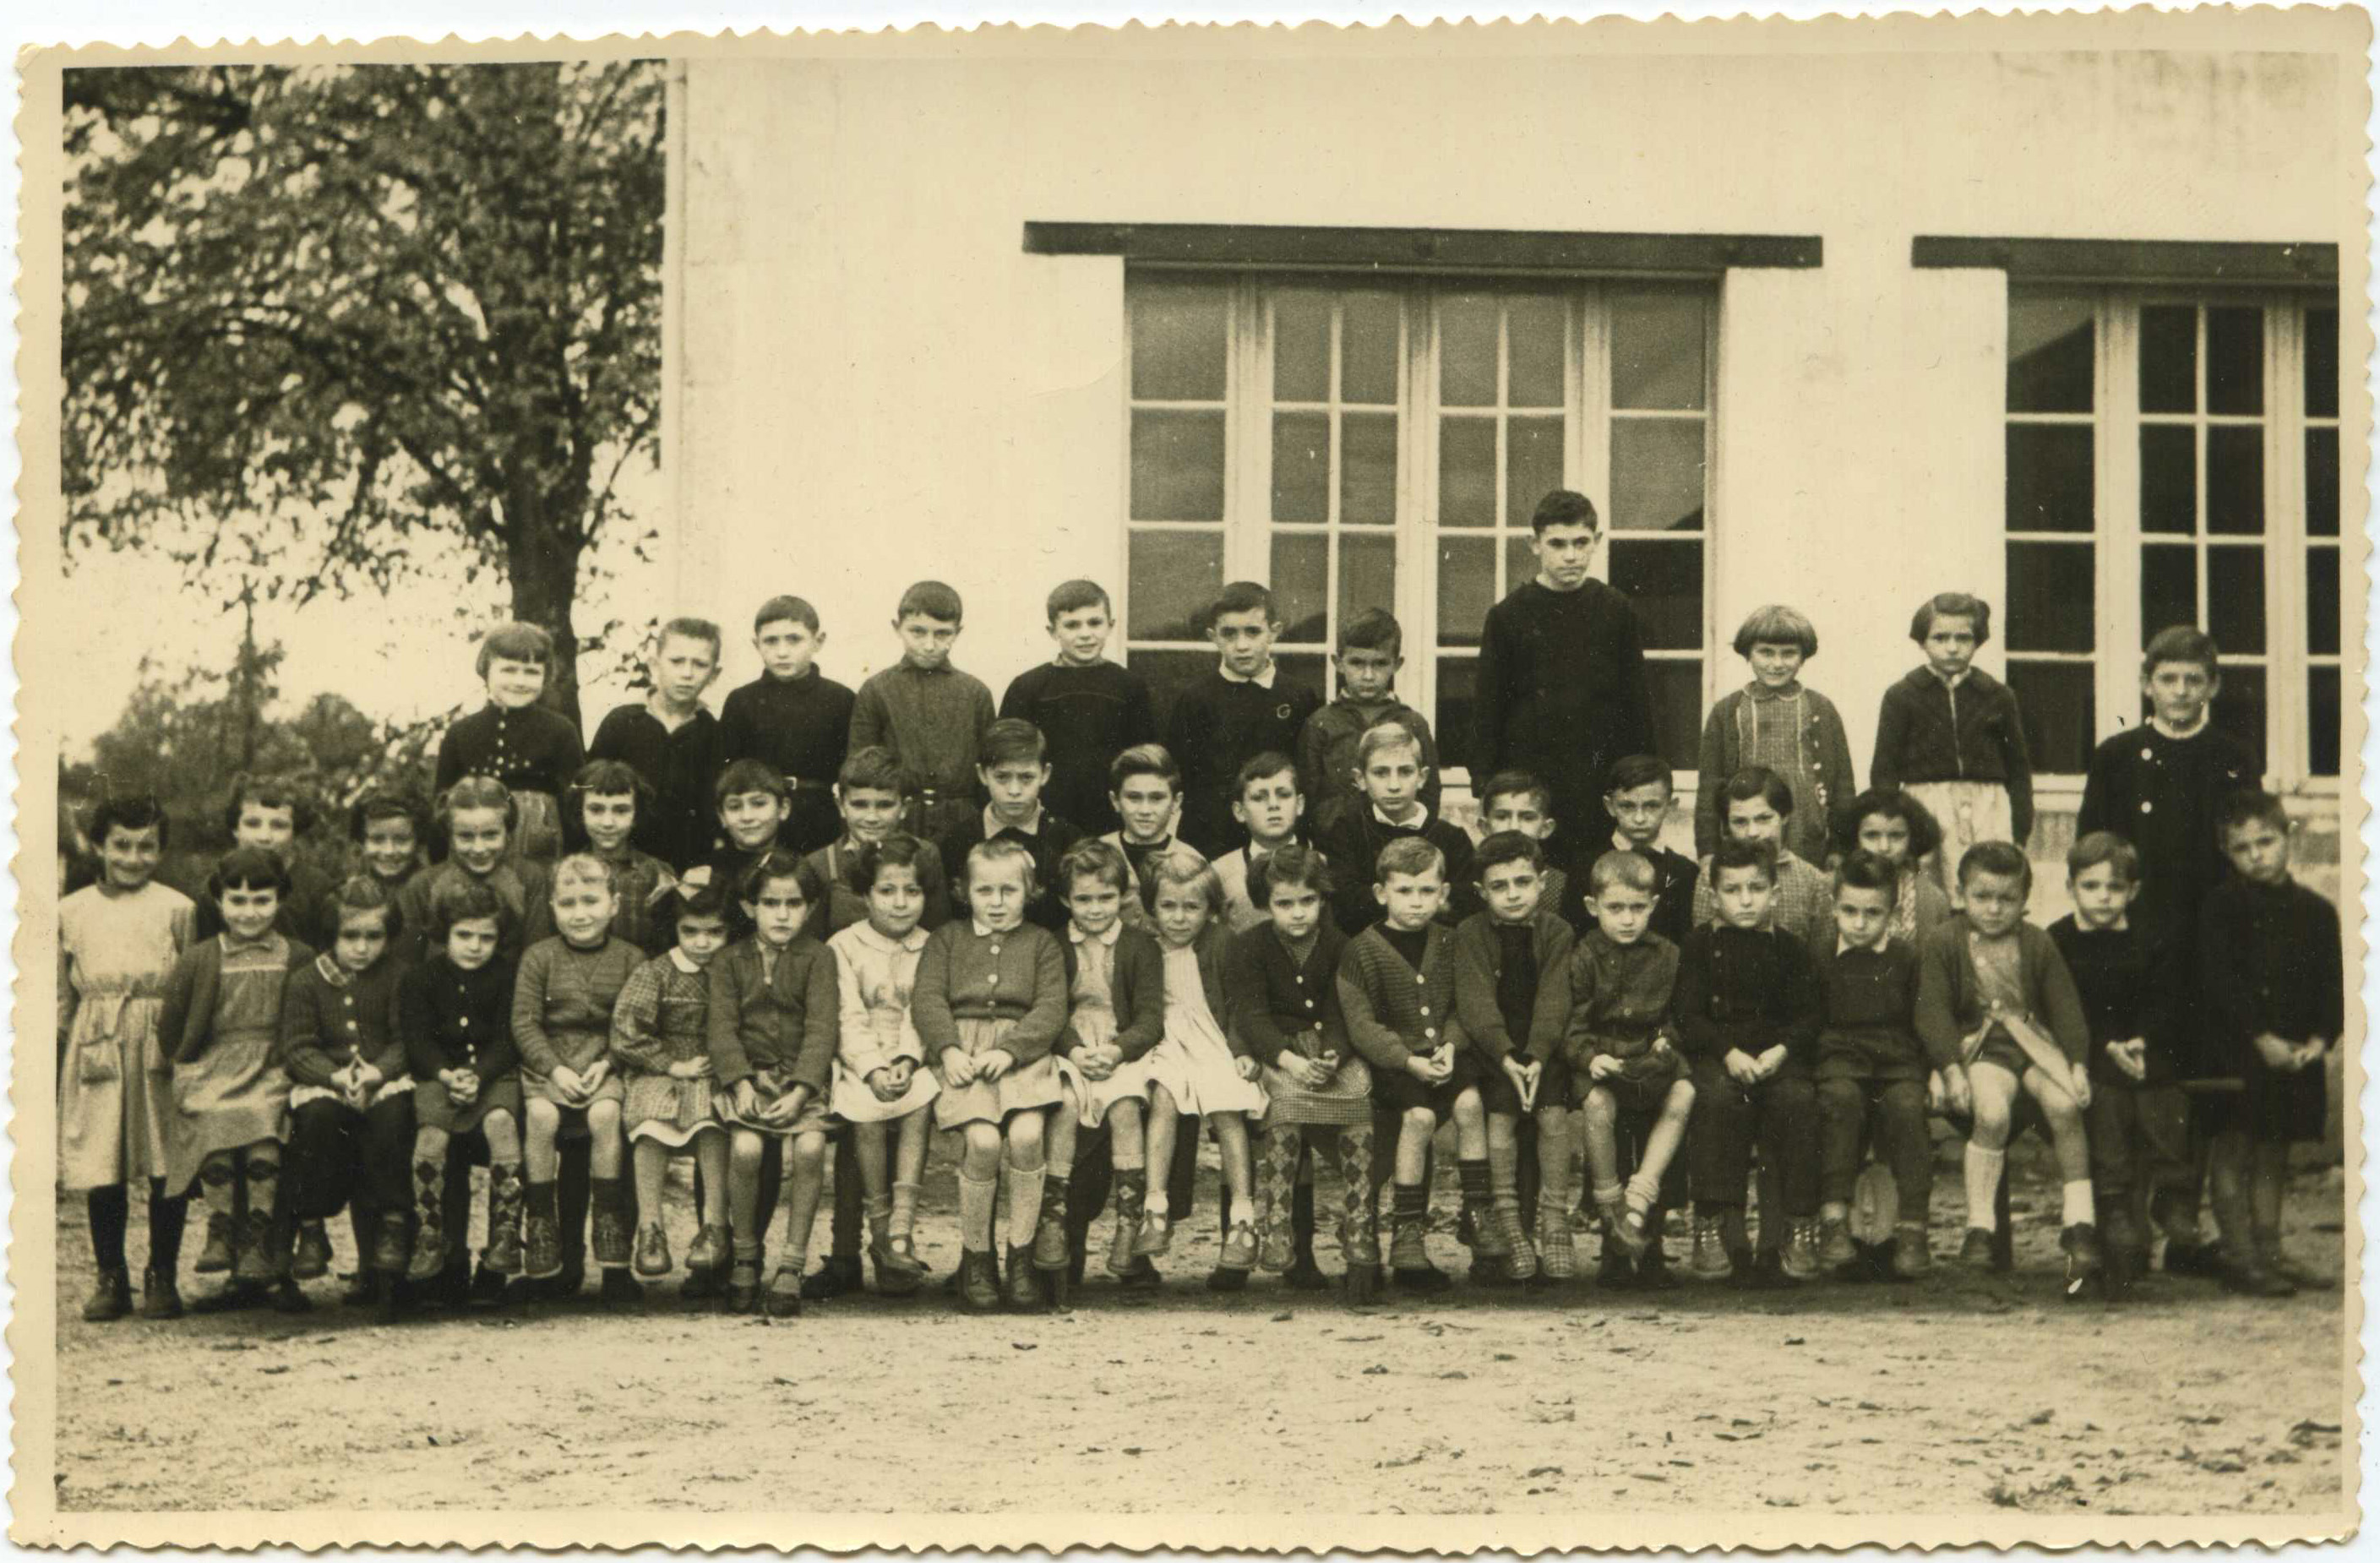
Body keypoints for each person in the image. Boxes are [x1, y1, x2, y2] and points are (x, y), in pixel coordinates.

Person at [2076, 625, 2257, 1279]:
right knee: (2140, 1073)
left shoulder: (2232, 755)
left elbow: (2245, 846)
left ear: (2211, 686)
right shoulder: (2118, 755)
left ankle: (2181, 1216)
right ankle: (2124, 1219)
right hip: (2137, 943)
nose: (2180, 692)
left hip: (2209, 941)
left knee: (2198, 1077)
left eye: (2193, 680)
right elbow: (2092, 850)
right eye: (2167, 679)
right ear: (2147, 684)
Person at [1915, 841, 2099, 1286]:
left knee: (2065, 1105)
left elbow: (2065, 1007)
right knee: (1993, 1112)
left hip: (2034, 1045)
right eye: (1983, 897)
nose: (1994, 909)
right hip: (1982, 1051)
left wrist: (2076, 1063)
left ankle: (2079, 1223)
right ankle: (1980, 1227)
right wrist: (1950, 1067)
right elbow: (1932, 1011)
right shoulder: (1945, 941)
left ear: (2024, 900)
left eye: (2007, 899)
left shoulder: (2037, 943)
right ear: (1961, 894)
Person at [2199, 789, 2343, 1296]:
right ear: (2227, 853)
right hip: (2239, 1049)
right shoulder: (2221, 908)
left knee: (2274, 1150)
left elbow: (2333, 982)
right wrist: (2260, 1037)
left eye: (2266, 841)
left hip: (2295, 1054)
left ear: (2288, 838)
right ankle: (2239, 1255)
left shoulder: (2318, 912)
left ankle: (2270, 1249)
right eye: (2242, 848)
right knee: (2234, 1146)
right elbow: (2219, 982)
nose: (2257, 855)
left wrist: (2321, 1039)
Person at [912, 837, 1066, 1313]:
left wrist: (1014, 1050)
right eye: (985, 892)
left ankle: (1021, 1255)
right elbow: (928, 998)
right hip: (965, 1053)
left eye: (1008, 891)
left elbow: (1051, 1007)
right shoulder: (947, 939)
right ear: (965, 893)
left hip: (1022, 1057)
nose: (996, 903)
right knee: (982, 1142)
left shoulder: (1042, 942)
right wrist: (948, 1048)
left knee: (1026, 1136)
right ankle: (978, 1256)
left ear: (1030, 892)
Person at [160, 847, 315, 1314]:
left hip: (273, 1066)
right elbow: (172, 1025)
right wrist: (186, 1064)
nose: (250, 913)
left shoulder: (298, 955)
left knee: (265, 1130)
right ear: (219, 901)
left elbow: (309, 1019)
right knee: (216, 1119)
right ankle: (223, 1229)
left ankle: (259, 1239)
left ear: (280, 900)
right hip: (216, 1067)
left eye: (262, 901)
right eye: (238, 901)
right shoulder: (201, 958)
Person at [60, 793, 196, 1321]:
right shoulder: (69, 910)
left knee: (167, 1161)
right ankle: (110, 1275)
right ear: (98, 846)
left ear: (160, 851)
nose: (134, 858)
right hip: (97, 1040)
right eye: (121, 846)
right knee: (104, 1160)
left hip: (159, 1038)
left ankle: (163, 1273)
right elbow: (59, 994)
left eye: (147, 847)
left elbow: (190, 982)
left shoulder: (178, 908)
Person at [1473, 490, 1656, 869]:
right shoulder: (1508, 616)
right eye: (1557, 544)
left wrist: (1640, 779)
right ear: (1534, 544)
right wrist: (1487, 787)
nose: (1570, 555)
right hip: (1529, 785)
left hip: (1597, 781)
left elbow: (1637, 701)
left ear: (1597, 542)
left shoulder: (1616, 610)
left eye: (1581, 543)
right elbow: (1487, 710)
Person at [1672, 837, 1823, 1285]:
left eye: (1756, 889)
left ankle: (1795, 1227)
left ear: (1774, 894)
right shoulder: (1699, 946)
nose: (1744, 900)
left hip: (1778, 1059)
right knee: (1717, 1102)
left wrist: (1781, 1052)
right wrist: (1727, 1053)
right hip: (1721, 1057)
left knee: (1797, 1103)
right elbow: (1689, 1014)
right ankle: (1715, 1227)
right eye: (1732, 890)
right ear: (1714, 896)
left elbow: (1810, 1015)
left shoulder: (1792, 950)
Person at [1338, 836, 1486, 1293]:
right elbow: (1361, 1024)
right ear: (1382, 893)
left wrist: (1452, 1046)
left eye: (1426, 891)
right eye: (1404, 891)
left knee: (1470, 1105)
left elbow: (1464, 1004)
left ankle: (1478, 1211)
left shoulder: (1451, 940)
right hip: (1395, 1064)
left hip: (1444, 1054)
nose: (1416, 903)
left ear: (1443, 893)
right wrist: (1407, 1061)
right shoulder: (1362, 949)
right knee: (1419, 1117)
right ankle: (1406, 1233)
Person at [1227, 844, 1373, 1298]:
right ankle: (1278, 1224)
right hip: (1280, 1053)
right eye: (1284, 904)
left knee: (1358, 1100)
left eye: (1307, 902)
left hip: (1329, 1053)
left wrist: (1332, 1054)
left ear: (1322, 900)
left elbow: (1342, 1009)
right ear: (1265, 905)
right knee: (1285, 1104)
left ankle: (1360, 1223)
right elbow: (1251, 1015)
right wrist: (1287, 1059)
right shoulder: (1249, 946)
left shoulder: (1340, 945)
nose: (1297, 914)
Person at [1540, 850, 1692, 1288]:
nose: (1627, 919)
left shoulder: (1668, 955)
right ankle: (1612, 1221)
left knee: (1684, 1092)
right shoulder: (1583, 955)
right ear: (1593, 907)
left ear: (1653, 906)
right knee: (1597, 1104)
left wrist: (1666, 1039)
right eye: (1615, 908)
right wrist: (1590, 1057)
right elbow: (1572, 1024)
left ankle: (1640, 1201)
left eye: (1638, 908)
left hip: (1650, 1060)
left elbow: (1673, 1015)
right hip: (1604, 1061)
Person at [2049, 831, 2185, 1299]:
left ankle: (2170, 1193)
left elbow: (2165, 1001)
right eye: (2090, 886)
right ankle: (2116, 1207)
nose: (2103, 897)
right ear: (2071, 887)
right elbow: (2060, 1006)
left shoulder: (2150, 938)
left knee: (2162, 1088)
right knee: (2106, 1099)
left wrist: (2142, 1040)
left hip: (2141, 1048)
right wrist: (2105, 1046)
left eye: (2114, 887)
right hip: (2086, 1051)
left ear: (2133, 890)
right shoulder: (2059, 941)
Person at [709, 852, 839, 1317]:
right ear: (749, 908)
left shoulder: (819, 958)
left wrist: (803, 1089)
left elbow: (823, 1028)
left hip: (801, 1082)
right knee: (745, 1149)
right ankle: (746, 1254)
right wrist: (739, 1082)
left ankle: (792, 1262)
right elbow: (722, 1028)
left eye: (794, 903)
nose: (783, 914)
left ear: (810, 907)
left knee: (808, 1150)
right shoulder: (729, 960)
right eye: (770, 903)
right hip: (749, 1078)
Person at [1133, 848, 1268, 1291]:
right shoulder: (1145, 946)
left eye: (1192, 907)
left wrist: (1243, 1050)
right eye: (1167, 906)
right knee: (1165, 1100)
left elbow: (1238, 1003)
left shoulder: (1222, 944)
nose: (1179, 918)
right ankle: (1154, 1208)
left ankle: (1243, 1218)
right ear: (1152, 907)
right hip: (1166, 1039)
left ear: (1210, 910)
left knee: (1228, 1108)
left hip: (1213, 1037)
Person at [511, 855, 643, 1304]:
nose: (580, 912)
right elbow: (525, 1023)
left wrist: (608, 1063)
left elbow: (632, 1023)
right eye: (568, 903)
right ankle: (542, 1220)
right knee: (542, 1116)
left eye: (591, 900)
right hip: (551, 1066)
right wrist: (555, 1070)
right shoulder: (539, 957)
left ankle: (608, 1221)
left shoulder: (630, 958)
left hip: (605, 1065)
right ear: (552, 906)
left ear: (614, 904)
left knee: (606, 1114)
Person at [277, 877, 415, 1304]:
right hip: (328, 1083)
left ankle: (392, 1225)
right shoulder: (306, 981)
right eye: (350, 936)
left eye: (374, 937)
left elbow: (405, 1039)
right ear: (331, 936)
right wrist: (335, 1077)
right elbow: (298, 1047)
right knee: (317, 1121)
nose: (362, 947)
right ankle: (313, 1228)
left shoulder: (398, 976)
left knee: (393, 1120)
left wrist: (376, 1073)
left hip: (383, 1079)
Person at [1451, 830, 1577, 1283]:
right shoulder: (1470, 934)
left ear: (1542, 882)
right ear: (1482, 892)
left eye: (1523, 882)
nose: (1513, 895)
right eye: (1499, 887)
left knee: (1553, 1115)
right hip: (1494, 1050)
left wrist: (1538, 1052)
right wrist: (1505, 1054)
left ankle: (1555, 1220)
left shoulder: (1557, 931)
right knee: (1499, 1118)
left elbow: (1556, 997)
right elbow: (1475, 1000)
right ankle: (1508, 1223)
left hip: (1544, 1046)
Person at [824, 838, 943, 1298]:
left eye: (912, 892)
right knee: (867, 1110)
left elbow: (927, 1010)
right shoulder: (844, 946)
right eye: (887, 891)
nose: (900, 903)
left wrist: (909, 1059)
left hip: (914, 1055)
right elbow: (846, 1015)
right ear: (866, 894)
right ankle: (879, 1228)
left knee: (921, 1101)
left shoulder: (931, 946)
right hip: (859, 1056)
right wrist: (874, 1067)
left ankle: (902, 1228)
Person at [397, 877, 525, 1304]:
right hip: (440, 1076)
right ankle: (432, 1238)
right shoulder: (421, 978)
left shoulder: (508, 976)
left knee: (502, 1122)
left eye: (486, 937)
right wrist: (446, 1073)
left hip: (493, 1077)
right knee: (432, 1132)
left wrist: (479, 1074)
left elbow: (509, 1038)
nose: (475, 946)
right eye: (464, 935)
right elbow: (417, 1038)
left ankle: (501, 1245)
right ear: (444, 934)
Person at [611, 879, 736, 1310]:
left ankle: (715, 1226)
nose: (703, 943)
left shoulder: (732, 971)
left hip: (715, 1069)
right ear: (675, 931)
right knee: (649, 1121)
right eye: (691, 932)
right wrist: (669, 1064)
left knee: (712, 1121)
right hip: (662, 1067)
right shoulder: (656, 972)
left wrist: (725, 1061)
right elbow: (627, 1033)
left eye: (715, 932)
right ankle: (651, 1229)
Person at [1043, 841, 1163, 1285]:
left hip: (1120, 1047)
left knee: (1127, 1106)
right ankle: (1053, 1220)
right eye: (1084, 899)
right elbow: (1050, 1011)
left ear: (1122, 897)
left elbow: (1151, 1016)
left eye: (1106, 898)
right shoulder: (1054, 945)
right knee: (1066, 1105)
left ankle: (1128, 1225)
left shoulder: (1140, 946)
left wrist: (1117, 1050)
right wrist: (1074, 1050)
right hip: (1071, 1046)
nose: (1095, 909)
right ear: (1065, 900)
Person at [1812, 851, 1936, 1278]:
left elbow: (1923, 1020)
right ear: (1834, 908)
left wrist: (1932, 1070)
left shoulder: (1905, 958)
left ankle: (1913, 1226)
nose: (1860, 923)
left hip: (1896, 1063)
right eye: (1849, 911)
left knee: (1906, 1108)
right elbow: (1811, 1021)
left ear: (1893, 913)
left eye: (1872, 913)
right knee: (1840, 1102)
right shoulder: (1822, 955)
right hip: (1841, 1060)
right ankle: (1832, 1218)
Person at [1871, 593, 2034, 897]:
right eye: (1940, 637)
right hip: (1925, 806)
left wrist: (2020, 826)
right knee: (1930, 893)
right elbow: (1885, 768)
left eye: (1963, 638)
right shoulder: (1902, 695)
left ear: (1978, 641)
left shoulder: (1997, 695)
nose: (1952, 647)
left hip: (1988, 807)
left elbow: (2018, 767)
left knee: (1986, 884)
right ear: (1922, 642)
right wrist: (1893, 822)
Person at [1167, 581, 1323, 856]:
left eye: (1253, 632)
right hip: (1213, 836)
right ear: (1213, 636)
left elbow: (1308, 774)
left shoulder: (1299, 695)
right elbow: (1183, 776)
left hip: (1278, 835)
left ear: (1274, 632)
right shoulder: (1195, 699)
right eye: (1230, 634)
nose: (1242, 645)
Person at [1695, 605, 1855, 863]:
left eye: (1788, 654)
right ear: (1748, 654)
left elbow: (1843, 786)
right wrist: (1707, 849)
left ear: (1803, 657)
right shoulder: (1726, 711)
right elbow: (1709, 787)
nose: (1777, 664)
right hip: (1745, 830)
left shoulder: (1821, 709)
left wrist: (1840, 847)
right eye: (1766, 653)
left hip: (1807, 831)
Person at [999, 580, 1157, 838]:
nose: (1085, 634)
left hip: (1110, 815)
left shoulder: (1129, 687)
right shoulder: (1028, 687)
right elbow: (1006, 756)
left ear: (1111, 626)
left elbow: (1144, 758)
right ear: (1052, 631)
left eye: (1095, 623)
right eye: (1072, 625)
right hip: (1044, 816)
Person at [848, 580, 996, 845]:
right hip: (897, 822)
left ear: (957, 632)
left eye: (942, 634)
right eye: (917, 632)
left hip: (963, 822)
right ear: (898, 628)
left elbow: (990, 768)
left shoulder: (976, 693)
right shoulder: (876, 690)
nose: (929, 645)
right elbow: (860, 767)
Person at [433, 621, 585, 866]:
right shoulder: (460, 734)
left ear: (546, 676)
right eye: (509, 670)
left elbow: (575, 808)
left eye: (532, 672)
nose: (520, 681)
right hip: (473, 854)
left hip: (542, 858)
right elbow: (440, 810)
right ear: (486, 669)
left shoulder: (560, 731)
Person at [718, 595, 856, 856]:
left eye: (794, 639)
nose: (782, 651)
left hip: (820, 821)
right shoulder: (742, 701)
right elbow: (727, 774)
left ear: (818, 641)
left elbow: (851, 770)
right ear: (756, 644)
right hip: (759, 822)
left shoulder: (840, 699)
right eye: (771, 641)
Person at [588, 617, 727, 874]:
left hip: (688, 865)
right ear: (655, 664)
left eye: (699, 664)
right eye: (676, 661)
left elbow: (716, 809)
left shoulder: (715, 733)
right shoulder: (621, 722)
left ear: (714, 674)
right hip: (619, 859)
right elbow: (589, 790)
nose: (687, 673)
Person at [1315, 722, 1476, 936]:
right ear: (1360, 779)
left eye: (1405, 772)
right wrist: (1429, 901)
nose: (1394, 785)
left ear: (1422, 778)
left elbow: (1464, 905)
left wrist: (1383, 901)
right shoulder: (1346, 832)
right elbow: (1347, 906)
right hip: (1367, 949)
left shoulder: (1452, 839)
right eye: (1381, 773)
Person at [935, 717, 1085, 935]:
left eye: (1026, 777)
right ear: (983, 774)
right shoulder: (958, 840)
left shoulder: (1067, 839)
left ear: (1045, 774)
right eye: (1002, 777)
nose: (1014, 790)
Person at [1298, 607, 1440, 836]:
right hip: (1339, 844)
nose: (1368, 676)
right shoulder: (1320, 723)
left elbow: (1430, 795)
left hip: (1400, 843)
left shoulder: (1413, 724)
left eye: (1380, 664)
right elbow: (1308, 797)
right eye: (1357, 663)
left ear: (1397, 664)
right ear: (1338, 663)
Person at [396, 777, 554, 966]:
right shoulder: (423, 885)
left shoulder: (529, 877)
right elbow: (407, 963)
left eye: (490, 835)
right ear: (449, 835)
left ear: (507, 832)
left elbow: (536, 956)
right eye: (466, 836)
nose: (479, 848)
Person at [806, 746, 955, 938]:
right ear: (841, 806)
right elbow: (814, 945)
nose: (872, 817)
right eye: (859, 805)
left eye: (885, 805)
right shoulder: (821, 864)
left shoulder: (925, 854)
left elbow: (938, 933)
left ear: (904, 807)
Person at [1689, 767, 1833, 956]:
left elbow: (1821, 961)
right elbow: (1703, 952)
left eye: (1764, 818)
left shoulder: (1813, 881)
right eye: (1740, 822)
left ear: (1785, 816)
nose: (1753, 832)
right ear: (1727, 826)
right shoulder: (1710, 878)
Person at [193, 773, 333, 948]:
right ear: (235, 828)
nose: (264, 837)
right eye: (252, 824)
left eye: (278, 826)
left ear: (295, 832)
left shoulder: (318, 888)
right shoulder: (213, 888)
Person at [564, 760, 678, 956]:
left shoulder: (657, 874)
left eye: (621, 810)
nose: (608, 822)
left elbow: (666, 948)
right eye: (596, 809)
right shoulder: (562, 873)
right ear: (580, 812)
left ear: (636, 815)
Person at [1830, 787, 1952, 949]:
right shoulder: (1831, 888)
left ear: (1912, 839)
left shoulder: (1932, 898)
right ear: (1855, 838)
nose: (1884, 847)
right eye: (1872, 835)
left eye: (1896, 836)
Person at [1600, 754, 1700, 947]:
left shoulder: (1684, 872)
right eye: (1627, 806)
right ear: (1610, 806)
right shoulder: (1586, 865)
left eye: (1651, 806)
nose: (1639, 818)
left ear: (1671, 806)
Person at [1102, 743, 1201, 924]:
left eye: (1156, 798)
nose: (1145, 810)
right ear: (1115, 801)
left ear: (1176, 802)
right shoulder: (1098, 853)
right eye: (1134, 798)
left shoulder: (1193, 860)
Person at [699, 760, 795, 943]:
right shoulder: (708, 872)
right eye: (735, 807)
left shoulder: (796, 866)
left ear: (783, 809)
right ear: (722, 817)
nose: (747, 817)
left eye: (758, 804)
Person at [1212, 752, 1307, 935]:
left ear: (1300, 804)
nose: (1273, 805)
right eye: (1259, 797)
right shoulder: (1220, 872)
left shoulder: (1322, 861)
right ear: (1239, 811)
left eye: (1284, 795)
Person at [1475, 771, 1574, 932]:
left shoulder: (1561, 885)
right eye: (1502, 817)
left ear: (1546, 828)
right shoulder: (1474, 881)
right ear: (1485, 827)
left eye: (1527, 818)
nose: (1514, 827)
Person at [347, 787, 429, 902]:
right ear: (362, 842)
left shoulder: (434, 894)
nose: (389, 851)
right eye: (377, 839)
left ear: (419, 842)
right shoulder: (347, 896)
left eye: (402, 840)